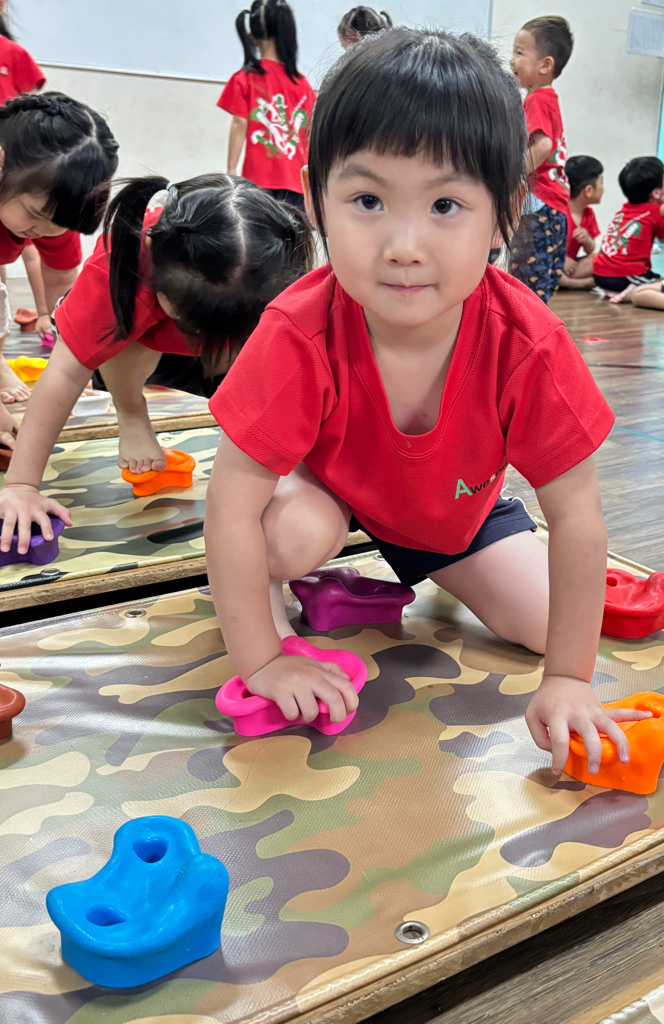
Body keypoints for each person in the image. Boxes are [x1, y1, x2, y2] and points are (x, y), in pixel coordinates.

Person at [203, 27, 647, 776]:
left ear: (505, 212)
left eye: (445, 204)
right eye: (368, 200)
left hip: (452, 511)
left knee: (550, 625)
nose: (403, 245)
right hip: (332, 491)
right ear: (315, 198)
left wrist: (570, 679)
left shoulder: (527, 342)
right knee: (284, 538)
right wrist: (265, 655)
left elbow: (576, 515)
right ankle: (300, 581)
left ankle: (375, 579)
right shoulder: (298, 327)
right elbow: (229, 503)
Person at [0, 173, 314, 550]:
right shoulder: (121, 265)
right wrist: (21, 485)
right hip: (139, 341)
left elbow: (299, 375)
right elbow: (65, 373)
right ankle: (131, 411)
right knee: (113, 333)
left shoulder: (278, 275)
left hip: (237, 337)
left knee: (270, 374)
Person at [0, 91, 118, 407]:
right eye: (34, 214)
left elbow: (62, 289)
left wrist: (69, 367)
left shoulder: (51, 217)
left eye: (60, 223)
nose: (43, 231)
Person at [218, 0, 316, 212]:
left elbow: (239, 123)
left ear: (251, 35)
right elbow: (310, 133)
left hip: (258, 181)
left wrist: (231, 168)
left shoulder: (245, 78)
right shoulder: (302, 84)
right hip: (296, 182)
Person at [509, 16, 573, 304]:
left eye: (520, 52)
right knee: (541, 278)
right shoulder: (549, 99)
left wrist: (512, 174)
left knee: (525, 277)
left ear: (545, 65)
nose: (512, 60)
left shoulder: (535, 99)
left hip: (538, 201)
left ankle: (526, 327)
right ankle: (536, 322)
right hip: (555, 204)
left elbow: (543, 144)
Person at [593, 157, 664, 302]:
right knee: (659, 283)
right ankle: (630, 292)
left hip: (599, 274)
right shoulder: (655, 211)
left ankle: (617, 289)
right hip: (625, 274)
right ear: (656, 193)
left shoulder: (625, 209)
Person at [559, 155, 603, 290]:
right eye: (601, 183)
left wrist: (587, 240)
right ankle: (571, 283)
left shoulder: (588, 214)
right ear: (589, 190)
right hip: (552, 264)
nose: (603, 189)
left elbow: (590, 249)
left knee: (601, 258)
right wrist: (561, 260)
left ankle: (562, 281)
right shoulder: (559, 211)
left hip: (569, 267)